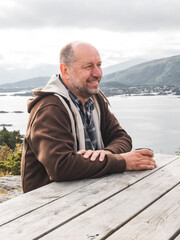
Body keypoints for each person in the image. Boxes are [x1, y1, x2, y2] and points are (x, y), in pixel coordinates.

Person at [21, 41, 156, 193]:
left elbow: (122, 137)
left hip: (86, 193)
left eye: (99, 65)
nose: (97, 73)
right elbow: (61, 166)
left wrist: (107, 154)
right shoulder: (50, 108)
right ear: (65, 70)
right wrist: (122, 161)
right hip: (46, 203)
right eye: (89, 66)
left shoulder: (95, 99)